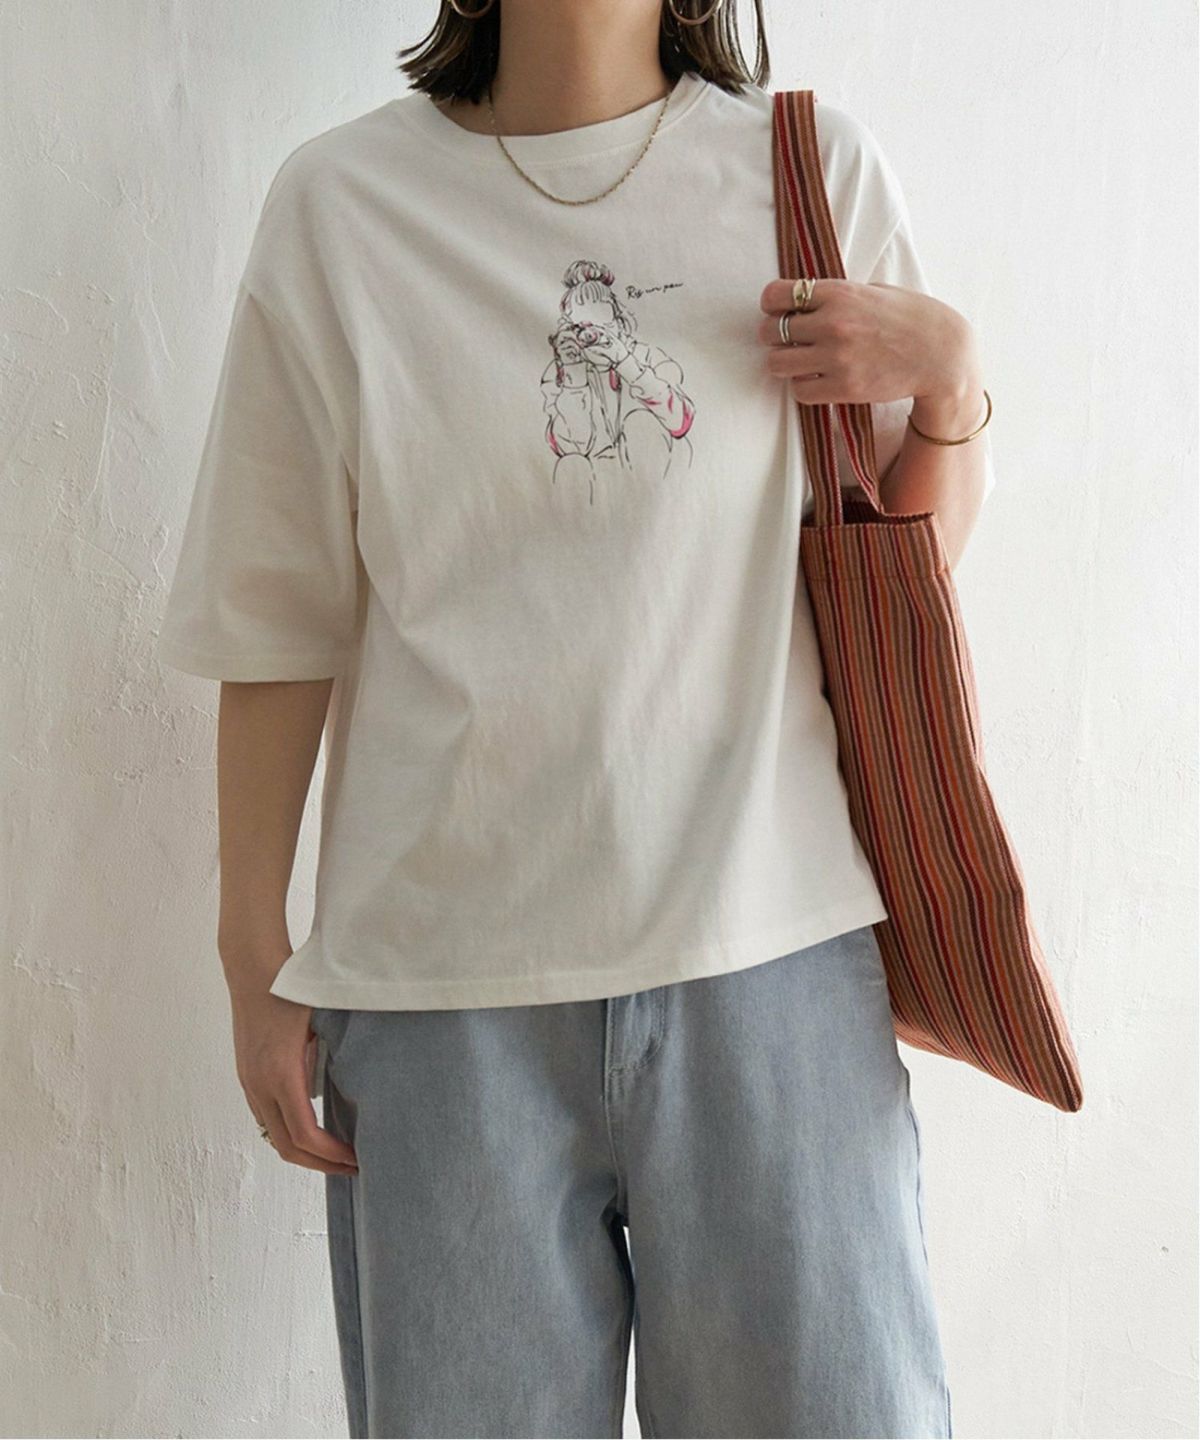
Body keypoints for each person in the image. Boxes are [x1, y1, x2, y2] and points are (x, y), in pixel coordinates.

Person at [157, 1, 996, 1435]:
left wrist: (951, 389)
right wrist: (252, 953)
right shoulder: (343, 208)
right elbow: (276, 609)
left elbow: (899, 570)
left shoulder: (809, 177)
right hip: (441, 1006)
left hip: (769, 965)